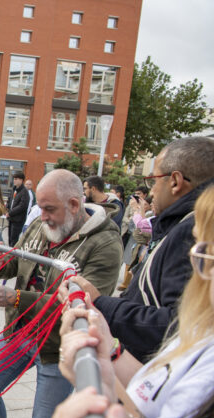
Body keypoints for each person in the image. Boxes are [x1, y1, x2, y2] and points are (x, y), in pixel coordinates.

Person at [54, 185, 214, 418]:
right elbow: (152, 414)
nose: (197, 271)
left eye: (204, 252)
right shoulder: (200, 329)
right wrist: (109, 353)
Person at [0, 169, 122, 418]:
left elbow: (81, 304)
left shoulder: (105, 243)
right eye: (40, 207)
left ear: (75, 205)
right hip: (20, 331)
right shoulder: (41, 224)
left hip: (57, 346)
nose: (43, 216)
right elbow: (15, 264)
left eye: (50, 209)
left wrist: (15, 297)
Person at [66, 137, 214, 363]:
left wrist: (101, 304)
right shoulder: (183, 224)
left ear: (175, 181)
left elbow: (177, 326)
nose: (151, 192)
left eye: (153, 180)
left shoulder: (192, 231)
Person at [5, 171, 30, 247]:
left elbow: (22, 206)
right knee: (10, 239)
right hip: (11, 218)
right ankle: (9, 252)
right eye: (14, 179)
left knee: (14, 240)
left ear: (21, 180)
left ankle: (12, 254)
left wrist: (10, 213)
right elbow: (9, 200)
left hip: (18, 220)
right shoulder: (14, 189)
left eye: (16, 179)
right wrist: (7, 208)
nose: (14, 180)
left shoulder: (24, 192)